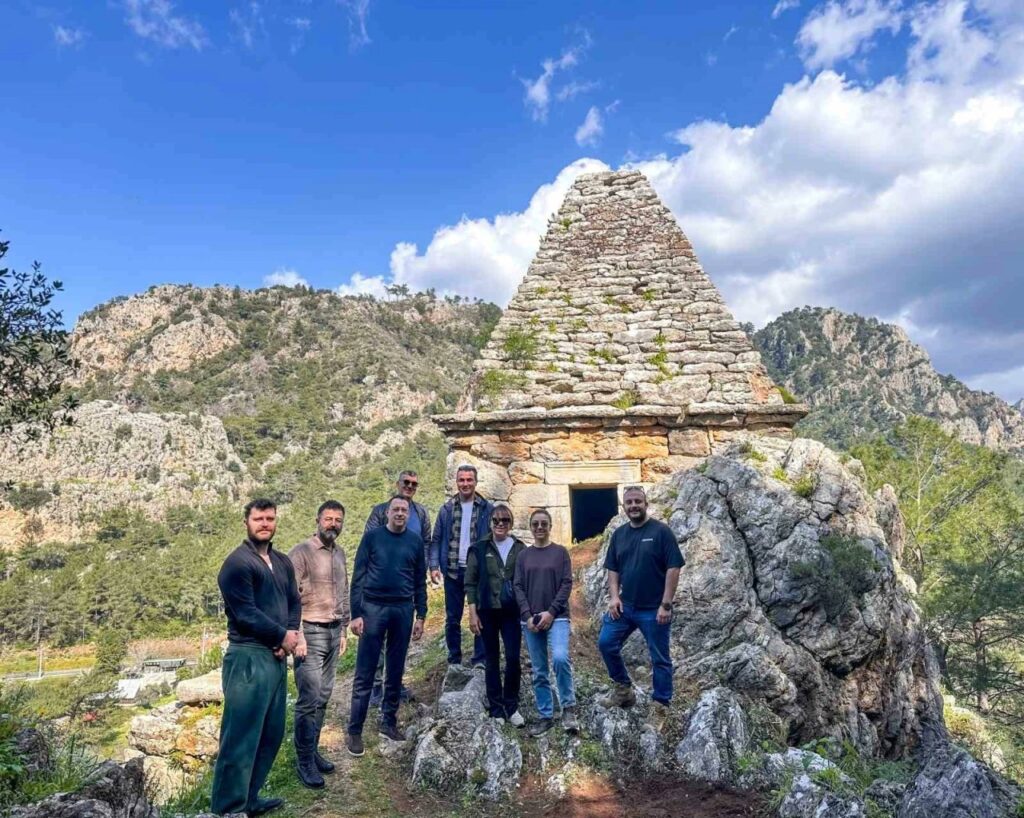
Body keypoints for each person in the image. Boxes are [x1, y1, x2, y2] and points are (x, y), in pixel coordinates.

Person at [211, 499, 301, 817]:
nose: (265, 523)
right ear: (246, 522)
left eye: (270, 518)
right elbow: (245, 613)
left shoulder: (282, 561)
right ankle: (227, 809)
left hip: (275, 658)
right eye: (258, 518)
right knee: (240, 737)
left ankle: (250, 798)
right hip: (247, 657)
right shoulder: (237, 564)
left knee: (271, 733)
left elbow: (294, 601)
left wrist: (288, 634)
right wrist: (281, 636)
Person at [597, 486, 685, 726]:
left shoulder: (661, 532)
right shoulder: (620, 535)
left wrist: (666, 605)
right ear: (623, 507)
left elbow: (673, 567)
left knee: (660, 658)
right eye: (629, 502)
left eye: (638, 501)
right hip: (625, 607)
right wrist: (614, 597)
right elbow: (613, 568)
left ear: (646, 504)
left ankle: (660, 705)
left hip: (654, 609)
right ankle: (623, 690)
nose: (633, 505)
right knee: (606, 643)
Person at [346, 495, 427, 757]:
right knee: (365, 670)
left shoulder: (415, 542)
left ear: (408, 514)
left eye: (404, 510)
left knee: (395, 668)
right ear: (387, 513)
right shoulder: (372, 538)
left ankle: (388, 722)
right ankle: (355, 729)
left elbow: (419, 581)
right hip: (373, 608)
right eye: (396, 509)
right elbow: (358, 576)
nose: (400, 513)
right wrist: (355, 613)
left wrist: (422, 614)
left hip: (403, 609)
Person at [288, 500, 349, 789]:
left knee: (323, 697)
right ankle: (303, 761)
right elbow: (289, 596)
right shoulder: (301, 553)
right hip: (309, 633)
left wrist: (345, 631)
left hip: (334, 631)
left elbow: (344, 594)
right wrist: (296, 634)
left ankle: (312, 751)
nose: (333, 524)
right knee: (308, 700)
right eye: (328, 519)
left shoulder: (340, 554)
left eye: (338, 520)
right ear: (317, 519)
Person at [363, 469, 432, 707]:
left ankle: (395, 683)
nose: (410, 486)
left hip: (408, 583)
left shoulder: (421, 513)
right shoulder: (381, 510)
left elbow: (426, 543)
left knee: (399, 640)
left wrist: (421, 571)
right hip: (380, 586)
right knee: (377, 638)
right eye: (406, 482)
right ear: (398, 483)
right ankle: (375, 686)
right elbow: (369, 542)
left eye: (414, 483)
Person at [514, 508, 578, 737]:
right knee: (539, 670)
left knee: (560, 658)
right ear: (531, 527)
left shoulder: (560, 553)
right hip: (530, 620)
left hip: (557, 616)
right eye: (535, 524)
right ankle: (545, 715)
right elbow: (518, 586)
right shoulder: (523, 555)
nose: (540, 528)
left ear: (550, 526)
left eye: (544, 524)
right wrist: (527, 615)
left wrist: (551, 613)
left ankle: (569, 708)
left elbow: (566, 583)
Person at [466, 503, 526, 726]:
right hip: (486, 611)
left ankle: (512, 705)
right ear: (490, 523)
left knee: (512, 658)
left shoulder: (520, 548)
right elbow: (470, 582)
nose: (500, 524)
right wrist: (472, 614)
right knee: (491, 659)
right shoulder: (479, 548)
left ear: (511, 523)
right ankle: (496, 708)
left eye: (505, 520)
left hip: (511, 612)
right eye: (496, 521)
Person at [429, 465, 492, 668]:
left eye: (469, 480)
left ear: (475, 481)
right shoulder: (447, 509)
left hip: (478, 572)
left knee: (481, 614)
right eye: (461, 480)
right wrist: (434, 565)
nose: (465, 483)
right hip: (453, 570)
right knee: (452, 618)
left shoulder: (486, 508)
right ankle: (454, 658)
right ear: (456, 482)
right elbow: (436, 539)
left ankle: (480, 658)